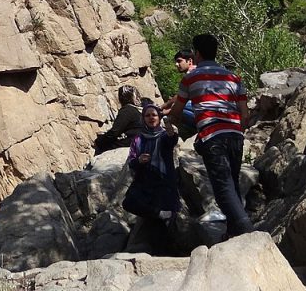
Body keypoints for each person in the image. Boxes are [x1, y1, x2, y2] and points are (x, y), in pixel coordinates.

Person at [169, 33, 254, 237]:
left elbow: (177, 111)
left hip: (212, 136)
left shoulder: (190, 78)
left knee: (223, 189)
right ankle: (232, 234)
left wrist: (168, 122)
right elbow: (245, 113)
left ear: (197, 54)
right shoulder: (233, 77)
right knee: (232, 184)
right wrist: (237, 130)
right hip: (235, 135)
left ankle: (248, 233)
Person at [122, 104, 180, 251]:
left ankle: (165, 252)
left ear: (159, 117)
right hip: (144, 181)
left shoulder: (164, 136)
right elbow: (132, 162)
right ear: (143, 119)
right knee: (129, 203)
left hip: (163, 180)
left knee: (159, 228)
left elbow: (172, 139)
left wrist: (169, 126)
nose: (151, 118)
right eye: (147, 115)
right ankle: (160, 214)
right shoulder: (138, 139)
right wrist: (139, 160)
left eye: (154, 115)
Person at [94, 85, 143, 154]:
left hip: (131, 142)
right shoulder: (137, 110)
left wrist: (100, 140)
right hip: (139, 140)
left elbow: (114, 132)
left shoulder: (127, 110)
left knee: (102, 143)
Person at [161, 49, 197, 138]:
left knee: (173, 113)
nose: (176, 64)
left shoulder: (191, 74)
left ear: (189, 61)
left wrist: (165, 108)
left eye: (179, 61)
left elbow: (180, 98)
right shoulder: (198, 71)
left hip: (200, 113)